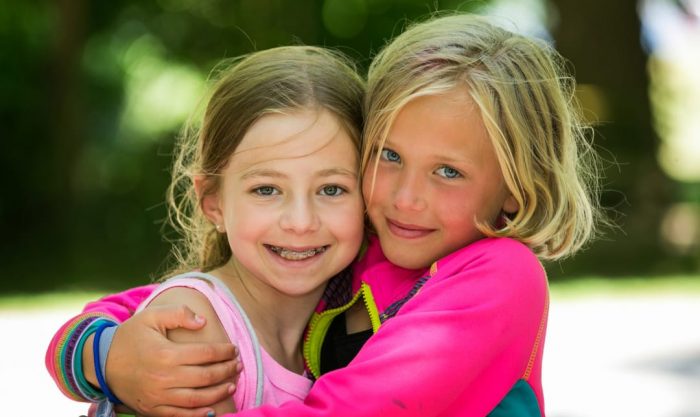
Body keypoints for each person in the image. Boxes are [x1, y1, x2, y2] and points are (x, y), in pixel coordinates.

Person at [46, 13, 604, 417]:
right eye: (389, 157)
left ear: (515, 187)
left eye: (449, 172)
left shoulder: (500, 273)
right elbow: (123, 311)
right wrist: (108, 356)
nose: (406, 198)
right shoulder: (363, 255)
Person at [45, 45, 367, 417]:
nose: (300, 221)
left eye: (332, 189)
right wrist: (98, 354)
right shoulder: (192, 324)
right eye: (266, 190)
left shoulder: (356, 307)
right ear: (213, 203)